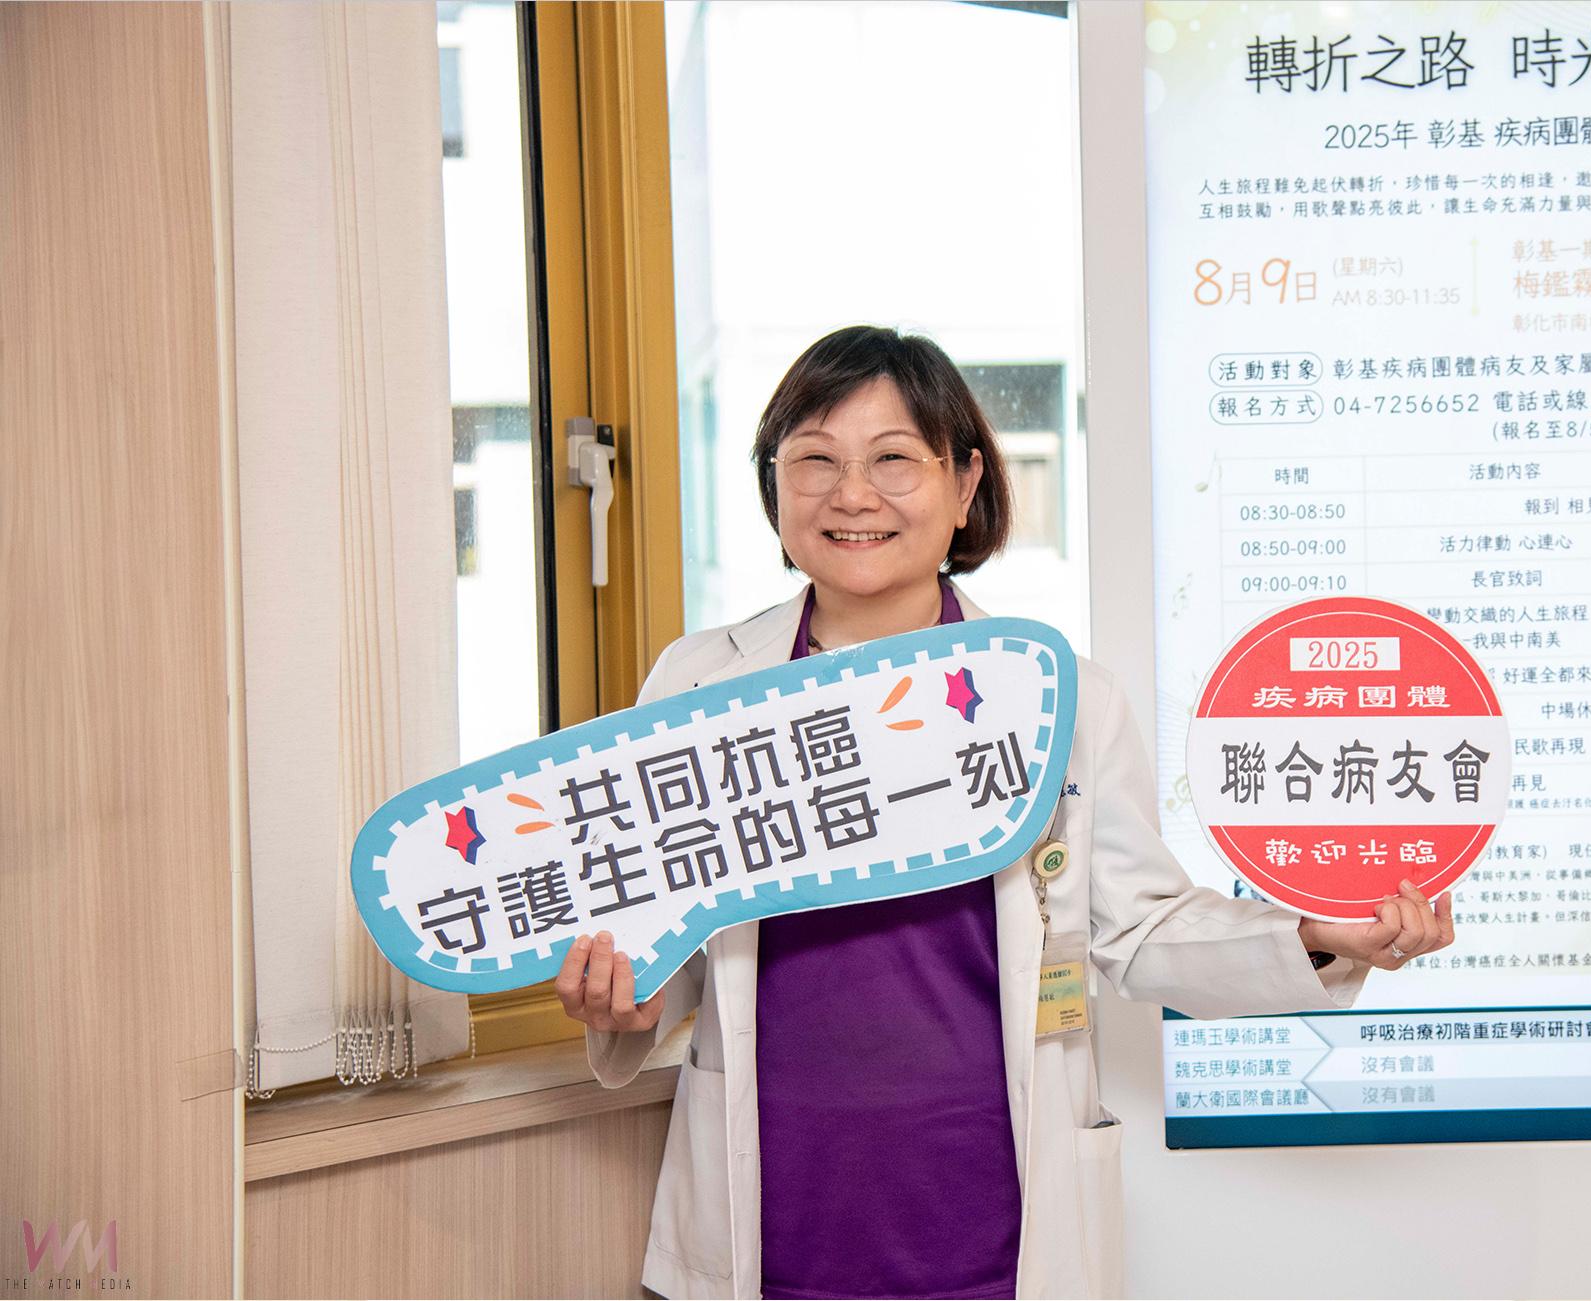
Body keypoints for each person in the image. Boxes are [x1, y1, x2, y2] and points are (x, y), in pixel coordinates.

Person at [553, 326, 1457, 1300]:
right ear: (774, 485)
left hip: (995, 1238)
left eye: (893, 458)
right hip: (769, 1233)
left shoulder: (1063, 696)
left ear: (965, 482)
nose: (851, 494)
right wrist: (627, 994)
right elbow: (672, 937)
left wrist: (1316, 936)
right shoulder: (698, 685)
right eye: (813, 459)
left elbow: (1141, 928)